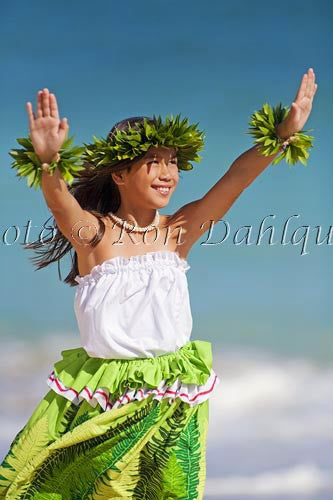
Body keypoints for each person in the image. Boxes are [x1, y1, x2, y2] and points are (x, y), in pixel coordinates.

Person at [0, 68, 317, 499]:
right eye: (153, 162)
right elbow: (59, 202)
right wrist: (49, 162)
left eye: (172, 162)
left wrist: (280, 136)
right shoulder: (94, 235)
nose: (167, 172)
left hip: (171, 403)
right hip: (106, 402)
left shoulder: (179, 232)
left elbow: (235, 179)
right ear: (119, 174)